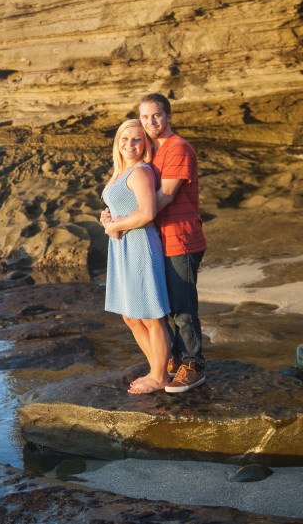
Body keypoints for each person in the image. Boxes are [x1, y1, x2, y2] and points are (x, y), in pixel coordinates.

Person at [139, 93, 208, 393]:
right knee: (164, 307)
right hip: (159, 240)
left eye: (156, 115)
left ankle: (194, 364)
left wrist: (128, 218)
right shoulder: (151, 153)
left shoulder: (177, 147)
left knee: (183, 308)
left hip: (181, 239)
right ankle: (175, 359)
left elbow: (165, 195)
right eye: (144, 117)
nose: (151, 122)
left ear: (168, 116)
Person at [100, 119, 172, 395]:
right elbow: (122, 207)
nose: (130, 145)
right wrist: (108, 217)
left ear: (145, 145)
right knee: (131, 317)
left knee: (151, 316)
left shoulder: (141, 172)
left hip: (140, 244)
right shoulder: (121, 172)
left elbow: (147, 213)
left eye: (136, 140)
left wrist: (114, 226)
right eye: (124, 139)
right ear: (117, 143)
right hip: (122, 247)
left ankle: (159, 377)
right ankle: (159, 367)